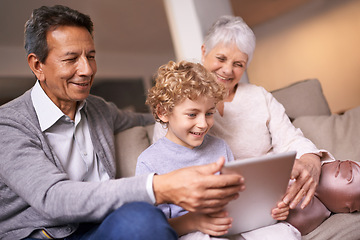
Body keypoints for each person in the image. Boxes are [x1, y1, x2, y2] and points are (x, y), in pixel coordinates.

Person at [0, 6, 243, 240]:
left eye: (91, 56)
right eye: (71, 58)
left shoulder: (98, 109)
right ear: (37, 65)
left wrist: (192, 115)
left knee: (143, 221)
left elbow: (154, 118)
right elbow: (53, 198)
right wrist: (159, 186)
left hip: (103, 226)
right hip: (41, 234)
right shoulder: (9, 125)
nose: (87, 69)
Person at [152, 15, 335, 237]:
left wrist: (310, 159)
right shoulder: (175, 113)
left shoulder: (258, 97)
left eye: (238, 64)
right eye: (221, 58)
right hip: (218, 214)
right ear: (203, 52)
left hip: (258, 200)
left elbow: (291, 139)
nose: (228, 70)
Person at [137, 60, 295, 239]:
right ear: (163, 112)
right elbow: (153, 227)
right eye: (192, 114)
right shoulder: (149, 161)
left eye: (209, 113)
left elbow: (240, 198)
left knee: (283, 233)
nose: (203, 124)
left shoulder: (220, 146)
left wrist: (269, 209)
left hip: (230, 223)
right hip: (191, 233)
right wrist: (195, 221)